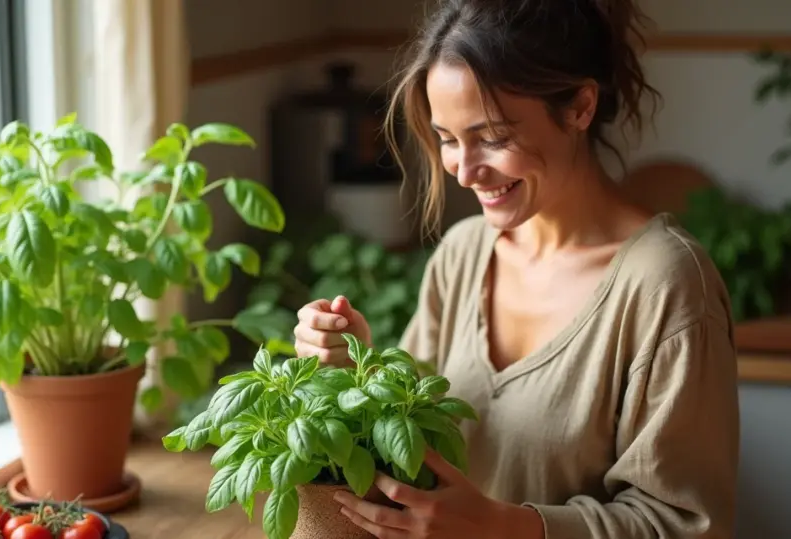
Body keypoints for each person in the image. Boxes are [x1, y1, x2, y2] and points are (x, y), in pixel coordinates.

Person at [291, 0, 741, 537]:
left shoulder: (667, 285)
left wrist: (506, 527)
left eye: (493, 137)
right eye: (448, 139)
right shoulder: (462, 254)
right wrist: (355, 371)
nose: (464, 172)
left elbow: (685, 525)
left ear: (579, 107)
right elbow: (410, 448)